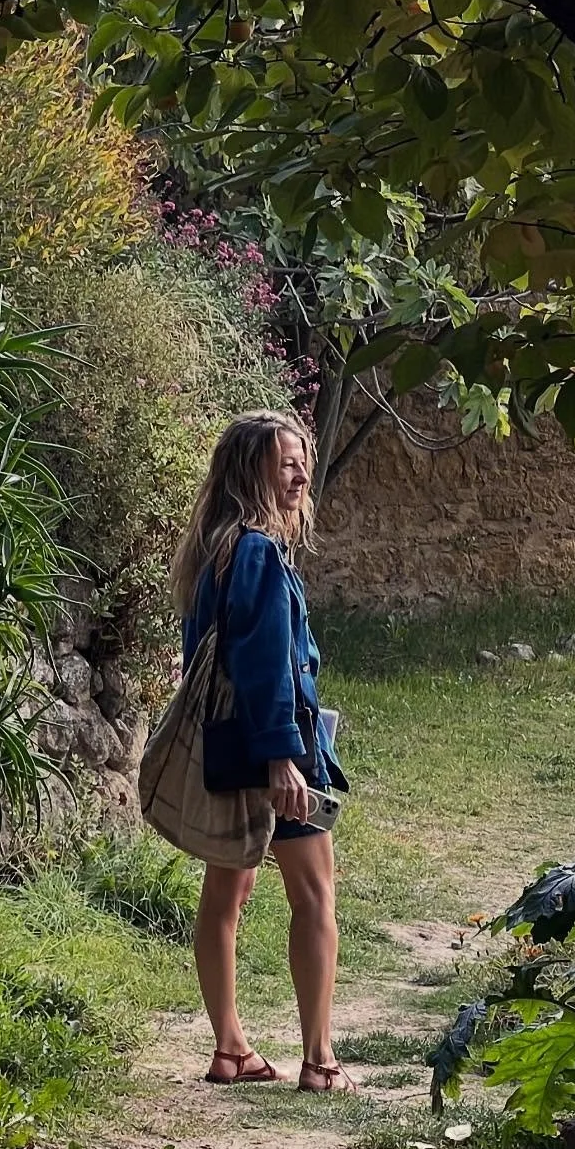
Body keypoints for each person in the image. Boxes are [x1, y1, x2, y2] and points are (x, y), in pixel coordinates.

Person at [170, 409, 354, 1095]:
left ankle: (231, 1049)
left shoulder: (213, 553)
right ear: (252, 471)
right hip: (275, 747)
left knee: (227, 894)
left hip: (227, 742)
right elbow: (266, 666)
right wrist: (285, 759)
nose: (301, 472)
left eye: (303, 459)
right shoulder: (258, 554)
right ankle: (319, 1060)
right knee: (314, 898)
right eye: (286, 462)